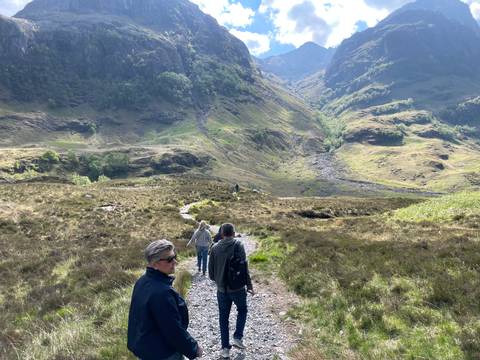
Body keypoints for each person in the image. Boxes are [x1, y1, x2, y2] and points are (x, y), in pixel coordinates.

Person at [127, 239, 203, 360]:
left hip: (146, 349)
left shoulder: (141, 281)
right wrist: (193, 348)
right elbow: (172, 330)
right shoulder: (162, 292)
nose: (175, 261)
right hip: (163, 353)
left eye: (175, 256)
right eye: (169, 259)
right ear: (155, 264)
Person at [208, 223, 254, 359]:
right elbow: (244, 267)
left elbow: (210, 274)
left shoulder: (215, 248)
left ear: (222, 234)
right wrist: (249, 285)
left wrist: (219, 280)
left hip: (221, 289)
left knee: (223, 317)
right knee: (243, 310)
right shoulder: (238, 245)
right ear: (233, 233)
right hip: (238, 288)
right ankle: (238, 337)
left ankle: (225, 349)